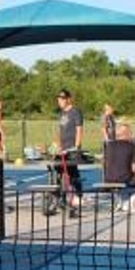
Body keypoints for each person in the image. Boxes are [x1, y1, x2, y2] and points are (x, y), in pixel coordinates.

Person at [103, 120, 135, 210]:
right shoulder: (131, 146)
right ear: (127, 134)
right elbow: (134, 167)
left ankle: (118, 201)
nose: (131, 134)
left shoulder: (109, 145)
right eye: (130, 132)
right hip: (125, 179)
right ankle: (130, 202)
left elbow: (105, 163)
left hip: (108, 178)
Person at [55, 89, 85, 217]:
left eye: (62, 99)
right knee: (58, 171)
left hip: (71, 148)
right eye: (59, 99)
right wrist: (57, 145)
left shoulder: (75, 112)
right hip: (62, 148)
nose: (60, 101)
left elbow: (79, 130)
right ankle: (61, 199)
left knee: (72, 173)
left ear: (68, 99)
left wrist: (76, 147)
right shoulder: (61, 113)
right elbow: (60, 130)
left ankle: (78, 197)